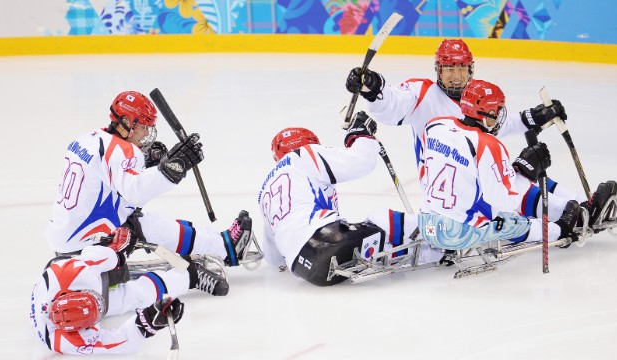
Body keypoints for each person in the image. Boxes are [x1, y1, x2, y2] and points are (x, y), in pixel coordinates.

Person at [344, 39, 581, 220]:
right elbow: (391, 104)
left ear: (471, 69)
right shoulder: (422, 93)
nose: (457, 77)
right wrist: (372, 88)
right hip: (447, 189)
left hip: (473, 176)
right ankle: (568, 215)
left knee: (517, 172)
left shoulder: (475, 95)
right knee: (516, 178)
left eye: (462, 69)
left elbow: (500, 124)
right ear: (438, 70)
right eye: (449, 69)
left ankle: (581, 203)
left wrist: (536, 116)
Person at [44, 90, 252, 269]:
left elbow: (108, 181)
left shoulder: (86, 139)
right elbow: (135, 193)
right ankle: (225, 248)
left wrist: (146, 161)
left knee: (136, 217)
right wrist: (172, 167)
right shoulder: (123, 151)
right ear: (126, 122)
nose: (145, 134)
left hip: (64, 236)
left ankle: (213, 241)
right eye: (143, 126)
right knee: (150, 225)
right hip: (88, 244)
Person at [415, 79, 617, 250]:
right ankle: (563, 229)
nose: (501, 115)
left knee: (487, 183)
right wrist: (525, 173)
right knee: (509, 221)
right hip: (457, 234)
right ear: (487, 114)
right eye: (498, 110)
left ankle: (576, 206)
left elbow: (424, 174)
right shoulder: (488, 144)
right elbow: (505, 203)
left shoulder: (436, 125)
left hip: (426, 224)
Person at [258, 112, 443, 286]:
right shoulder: (303, 154)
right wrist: (361, 136)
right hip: (327, 239)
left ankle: (431, 251)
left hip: (308, 270)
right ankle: (443, 231)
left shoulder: (264, 190)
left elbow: (273, 259)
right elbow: (361, 162)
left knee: (379, 243)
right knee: (379, 219)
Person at [30, 227, 226, 355]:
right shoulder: (63, 340)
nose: (101, 304)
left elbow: (99, 256)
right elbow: (118, 342)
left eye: (96, 301)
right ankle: (192, 276)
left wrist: (118, 250)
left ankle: (120, 274)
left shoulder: (70, 274)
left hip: (73, 270)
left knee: (110, 264)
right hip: (77, 288)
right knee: (135, 297)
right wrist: (147, 323)